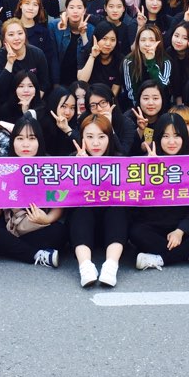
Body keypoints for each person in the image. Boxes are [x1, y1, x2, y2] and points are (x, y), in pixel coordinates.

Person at [131, 114, 189, 270]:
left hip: (184, 229)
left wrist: (180, 231)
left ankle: (160, 259)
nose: (171, 142)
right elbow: (137, 202)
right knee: (135, 232)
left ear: (184, 138)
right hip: (154, 227)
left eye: (177, 136)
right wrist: (149, 172)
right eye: (166, 136)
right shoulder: (145, 161)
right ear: (158, 138)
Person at [0, 116, 66, 268]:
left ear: (39, 141)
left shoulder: (49, 166)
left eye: (31, 138)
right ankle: (37, 255)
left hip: (38, 225)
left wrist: (47, 219)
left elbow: (59, 202)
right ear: (13, 141)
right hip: (10, 224)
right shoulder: (4, 165)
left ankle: (0, 248)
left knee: (60, 232)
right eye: (20, 138)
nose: (26, 144)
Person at [70, 114, 128, 287]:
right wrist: (80, 170)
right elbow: (64, 198)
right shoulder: (70, 161)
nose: (96, 143)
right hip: (83, 230)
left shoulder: (120, 160)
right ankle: (85, 267)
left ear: (109, 138)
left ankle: (111, 266)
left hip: (113, 230)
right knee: (81, 208)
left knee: (117, 208)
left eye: (101, 137)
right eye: (89, 137)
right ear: (81, 138)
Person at [0, 18, 51, 99]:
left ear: (25, 35)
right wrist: (10, 63)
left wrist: (33, 102)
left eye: (20, 33)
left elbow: (43, 83)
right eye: (11, 35)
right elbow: (0, 89)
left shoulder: (37, 53)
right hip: (8, 102)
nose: (16, 38)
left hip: (33, 100)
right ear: (4, 39)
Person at [121, 24, 171, 108]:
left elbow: (163, 86)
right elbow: (131, 89)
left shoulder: (166, 61)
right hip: (137, 105)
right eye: (143, 40)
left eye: (151, 40)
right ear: (138, 42)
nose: (147, 44)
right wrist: (140, 107)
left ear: (158, 42)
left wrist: (151, 62)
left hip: (161, 105)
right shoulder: (129, 61)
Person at [49, 0, 93, 87]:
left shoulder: (91, 30)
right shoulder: (54, 26)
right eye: (71, 7)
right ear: (66, 10)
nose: (75, 11)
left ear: (84, 10)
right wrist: (56, 84)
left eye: (79, 7)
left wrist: (83, 35)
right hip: (59, 80)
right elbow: (53, 57)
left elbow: (88, 57)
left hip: (81, 81)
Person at [14, 0, 56, 66]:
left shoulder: (43, 32)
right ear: (20, 5)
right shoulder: (11, 28)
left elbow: (48, 60)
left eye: (35, 5)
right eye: (27, 3)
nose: (31, 8)